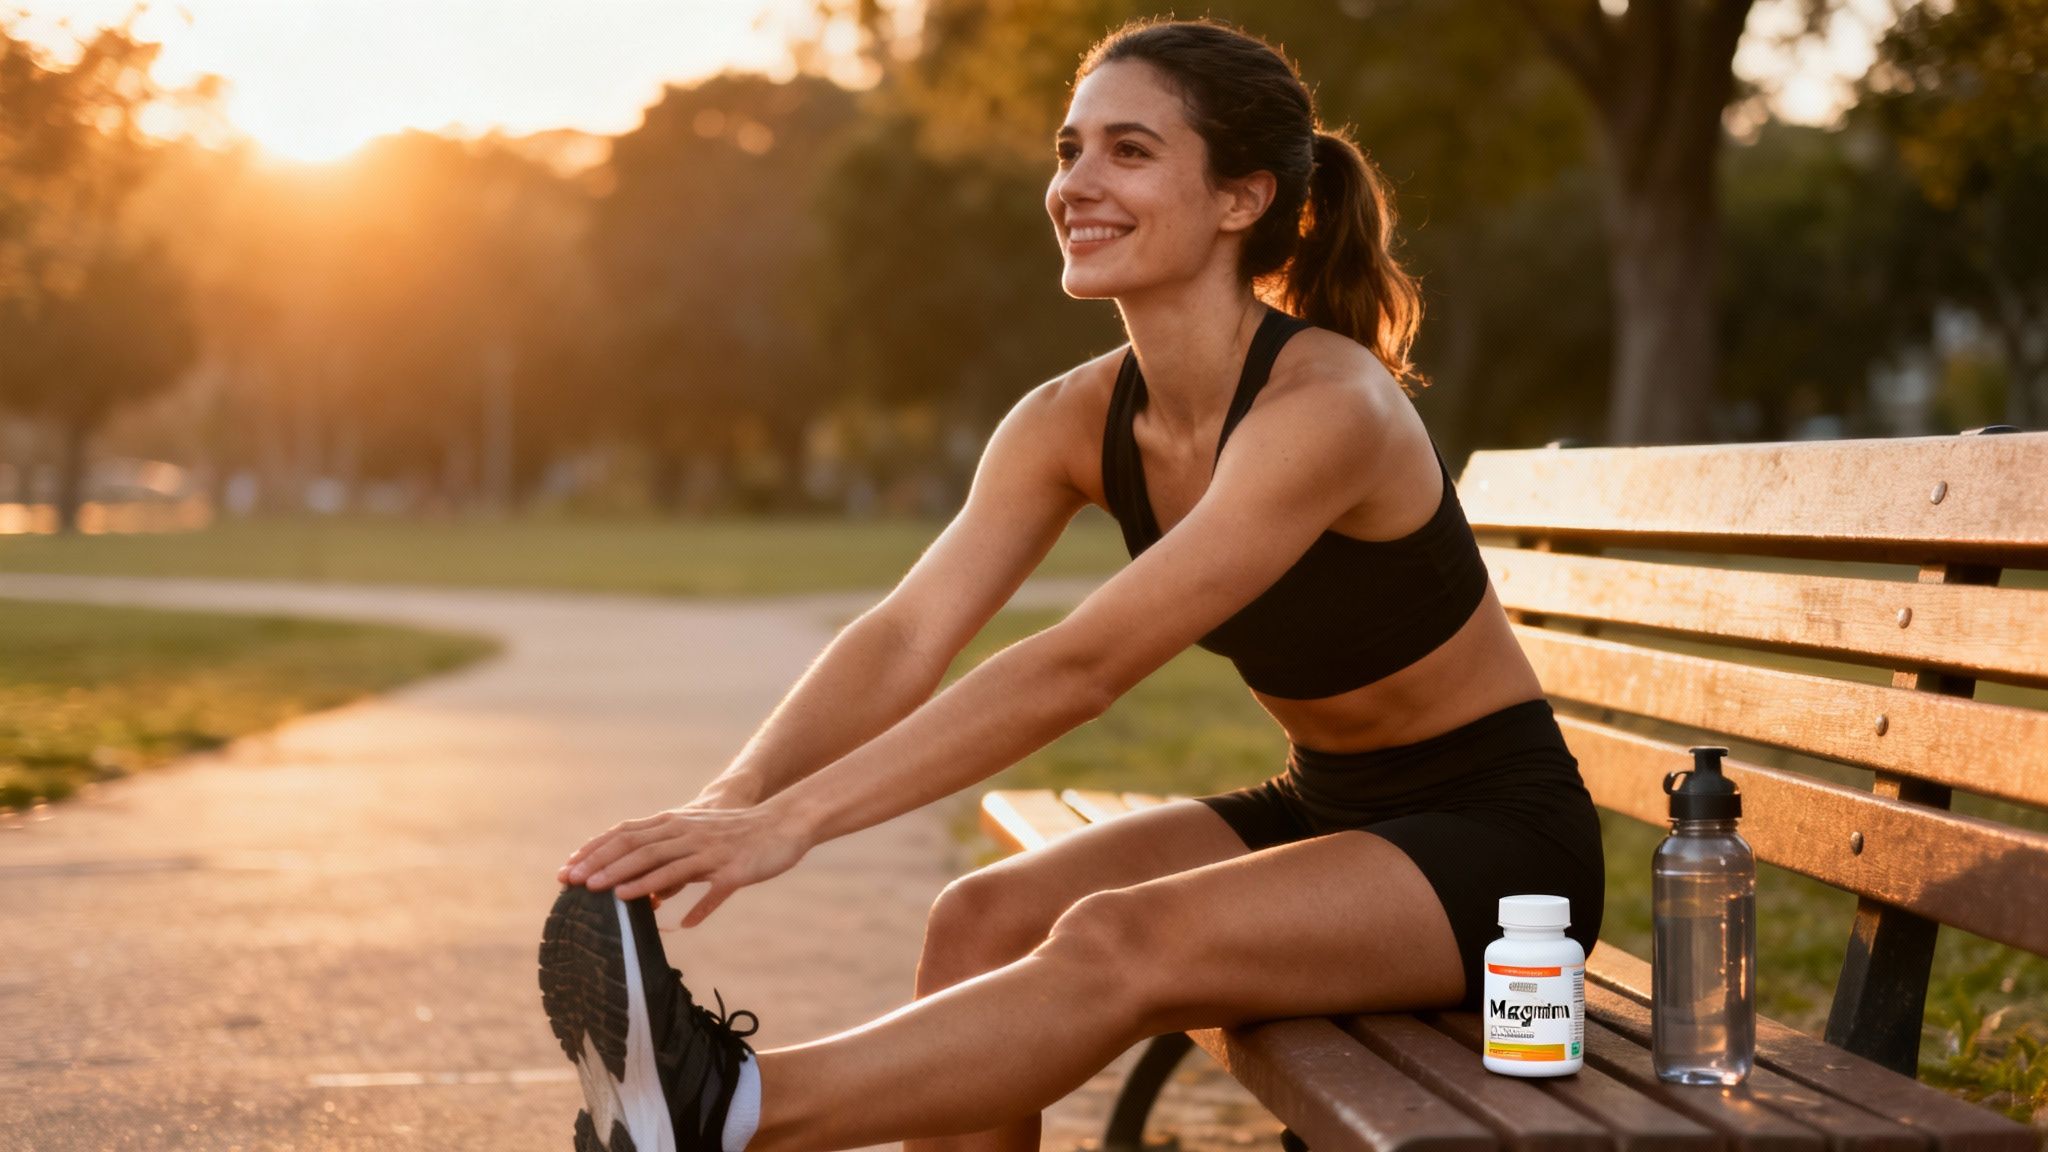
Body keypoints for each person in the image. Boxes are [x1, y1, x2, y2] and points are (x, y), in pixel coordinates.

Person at [539, 15, 1604, 1152]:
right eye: (1068, 150)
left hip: (1495, 848)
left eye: (1129, 152)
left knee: (1113, 940)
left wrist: (797, 824)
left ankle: (731, 1112)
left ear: (1239, 200)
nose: (1075, 184)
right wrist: (737, 798)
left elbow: (1084, 666)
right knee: (980, 917)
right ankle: (705, 1108)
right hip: (1323, 808)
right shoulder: (1069, 419)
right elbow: (906, 632)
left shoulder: (1324, 410)